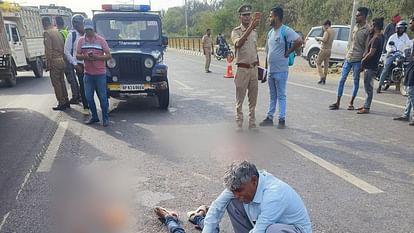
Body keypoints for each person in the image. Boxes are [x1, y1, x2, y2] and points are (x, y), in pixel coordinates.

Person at [259, 7, 303, 129]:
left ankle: (282, 119)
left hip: (281, 70)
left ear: (277, 17)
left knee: (281, 95)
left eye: (270, 16)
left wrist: (289, 51)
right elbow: (268, 53)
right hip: (271, 71)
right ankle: (269, 117)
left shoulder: (285, 30)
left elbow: (299, 41)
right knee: (272, 95)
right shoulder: (270, 32)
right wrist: (266, 70)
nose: (269, 18)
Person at [329, 7, 369, 110]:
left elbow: (366, 48)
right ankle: (337, 102)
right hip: (349, 57)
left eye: (358, 15)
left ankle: (351, 103)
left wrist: (363, 63)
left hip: (357, 59)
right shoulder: (355, 27)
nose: (356, 17)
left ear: (363, 17)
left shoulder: (367, 30)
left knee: (355, 81)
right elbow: (351, 42)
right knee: (342, 80)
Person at [76, 19, 111, 127]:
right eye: (86, 30)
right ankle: (95, 117)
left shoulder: (101, 40)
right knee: (88, 97)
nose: (88, 32)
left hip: (100, 74)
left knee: (103, 98)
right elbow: (77, 55)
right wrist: (85, 56)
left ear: (93, 29)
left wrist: (97, 57)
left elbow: (109, 55)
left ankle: (105, 118)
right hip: (88, 74)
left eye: (90, 29)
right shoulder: (81, 41)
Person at [231, 5, 260, 131]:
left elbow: (254, 50)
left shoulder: (254, 33)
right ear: (240, 17)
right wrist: (249, 29)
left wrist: (259, 68)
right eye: (245, 15)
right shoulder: (236, 31)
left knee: (253, 100)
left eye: (249, 15)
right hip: (242, 69)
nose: (248, 17)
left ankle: (252, 123)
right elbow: (238, 43)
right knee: (240, 99)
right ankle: (239, 123)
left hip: (253, 69)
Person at [357, 18, 385, 114]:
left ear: (376, 27)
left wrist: (363, 61)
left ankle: (367, 107)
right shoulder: (380, 36)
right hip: (372, 65)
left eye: (372, 26)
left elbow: (371, 53)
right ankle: (366, 105)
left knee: (368, 87)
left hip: (370, 66)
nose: (371, 27)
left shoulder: (377, 38)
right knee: (368, 87)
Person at [377, 20, 413, 93]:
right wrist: (391, 49)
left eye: (403, 28)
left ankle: (399, 82)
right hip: (391, 54)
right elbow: (388, 46)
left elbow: (409, 44)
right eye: (400, 28)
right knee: (386, 68)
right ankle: (380, 86)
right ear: (397, 28)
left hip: (401, 54)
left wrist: (411, 46)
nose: (401, 30)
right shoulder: (393, 37)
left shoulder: (405, 37)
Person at [42, 17, 69, 111]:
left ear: (44, 23)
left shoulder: (47, 33)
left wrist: (48, 63)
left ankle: (61, 103)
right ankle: (66, 100)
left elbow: (48, 50)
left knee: (56, 84)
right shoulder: (57, 31)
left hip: (54, 61)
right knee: (62, 82)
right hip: (62, 60)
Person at [64, 14, 90, 115]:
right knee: (83, 86)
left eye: (81, 24)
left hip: (91, 64)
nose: (80, 27)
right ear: (74, 25)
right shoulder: (72, 35)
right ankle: (86, 106)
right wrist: (75, 64)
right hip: (80, 65)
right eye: (78, 24)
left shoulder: (88, 33)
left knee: (93, 86)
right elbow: (66, 51)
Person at [393, 15, 414, 126]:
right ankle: (406, 114)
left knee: (411, 92)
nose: (409, 25)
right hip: (410, 66)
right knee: (410, 91)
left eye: (411, 23)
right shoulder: (410, 39)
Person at [57, 16, 82, 105]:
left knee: (72, 78)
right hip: (74, 59)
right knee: (77, 79)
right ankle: (79, 95)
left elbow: (64, 49)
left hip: (70, 59)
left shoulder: (61, 33)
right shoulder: (66, 32)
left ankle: (76, 96)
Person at [315, 20, 335, 85]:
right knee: (326, 65)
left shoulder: (327, 31)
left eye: (324, 25)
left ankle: (322, 77)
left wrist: (319, 39)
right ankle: (324, 79)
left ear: (327, 25)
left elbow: (325, 39)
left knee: (318, 63)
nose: (323, 27)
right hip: (329, 50)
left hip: (324, 49)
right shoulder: (333, 31)